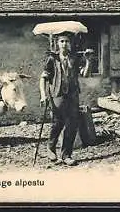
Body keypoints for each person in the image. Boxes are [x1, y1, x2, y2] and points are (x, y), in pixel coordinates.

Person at [39, 32, 82, 166]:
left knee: (72, 125)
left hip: (73, 95)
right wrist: (43, 94)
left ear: (70, 44)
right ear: (57, 44)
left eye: (67, 41)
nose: (64, 44)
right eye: (62, 41)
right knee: (58, 122)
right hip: (57, 95)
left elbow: (83, 74)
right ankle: (50, 148)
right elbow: (43, 78)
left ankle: (66, 155)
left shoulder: (74, 58)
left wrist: (89, 61)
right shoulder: (52, 59)